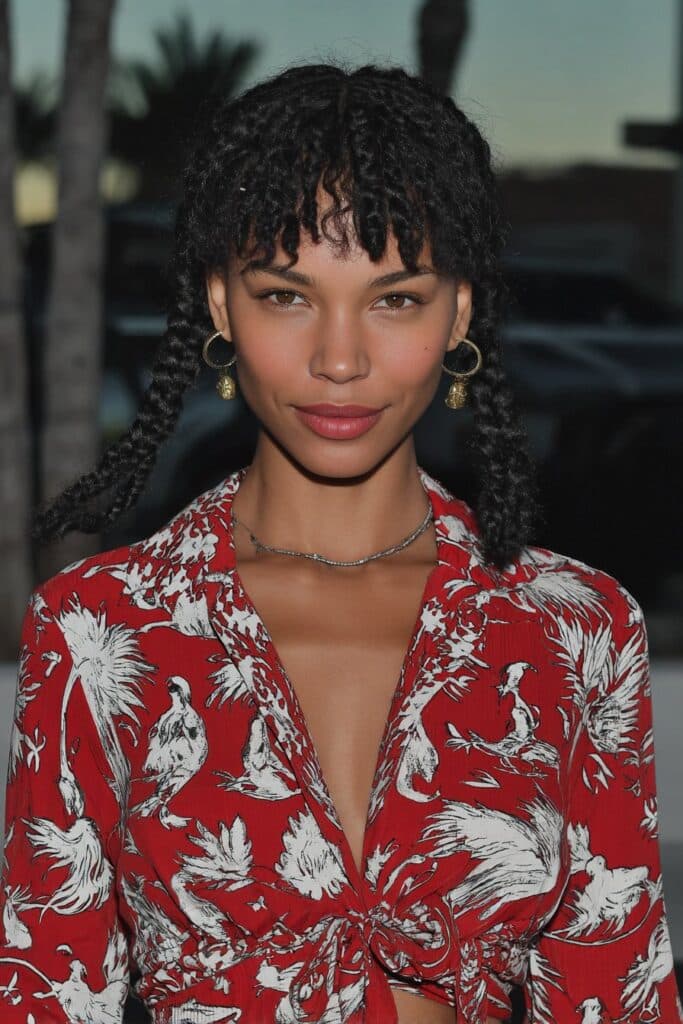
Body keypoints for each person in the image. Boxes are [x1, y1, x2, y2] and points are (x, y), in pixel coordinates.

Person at [0, 61, 680, 1024]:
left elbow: (618, 992)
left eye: (395, 297)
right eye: (287, 295)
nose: (339, 359)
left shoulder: (575, 629)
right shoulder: (102, 631)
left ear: (461, 311)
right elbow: (45, 990)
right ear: (223, 307)